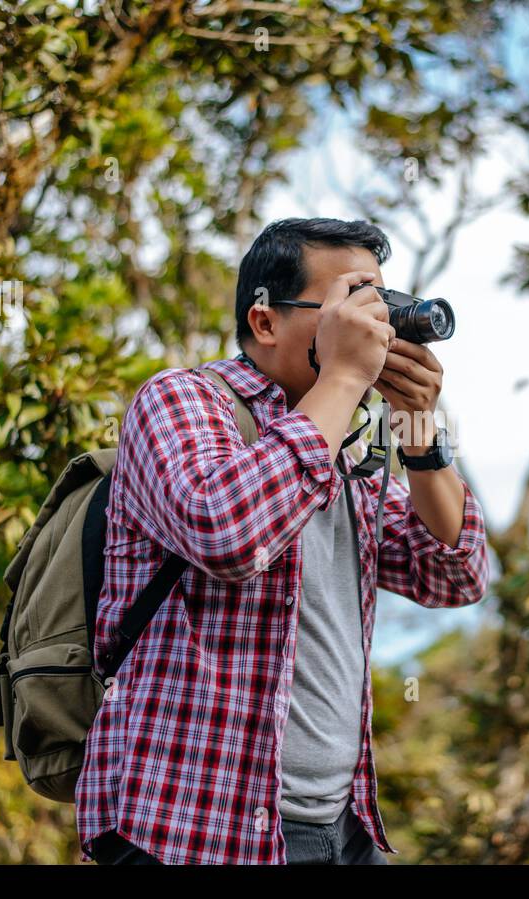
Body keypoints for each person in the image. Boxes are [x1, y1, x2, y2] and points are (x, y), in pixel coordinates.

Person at [75, 217, 490, 864]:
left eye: (378, 305)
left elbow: (455, 575)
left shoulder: (346, 452)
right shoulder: (184, 400)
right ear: (265, 321)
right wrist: (345, 381)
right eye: (353, 304)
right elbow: (229, 535)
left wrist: (419, 432)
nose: (374, 327)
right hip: (188, 825)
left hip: (339, 829)